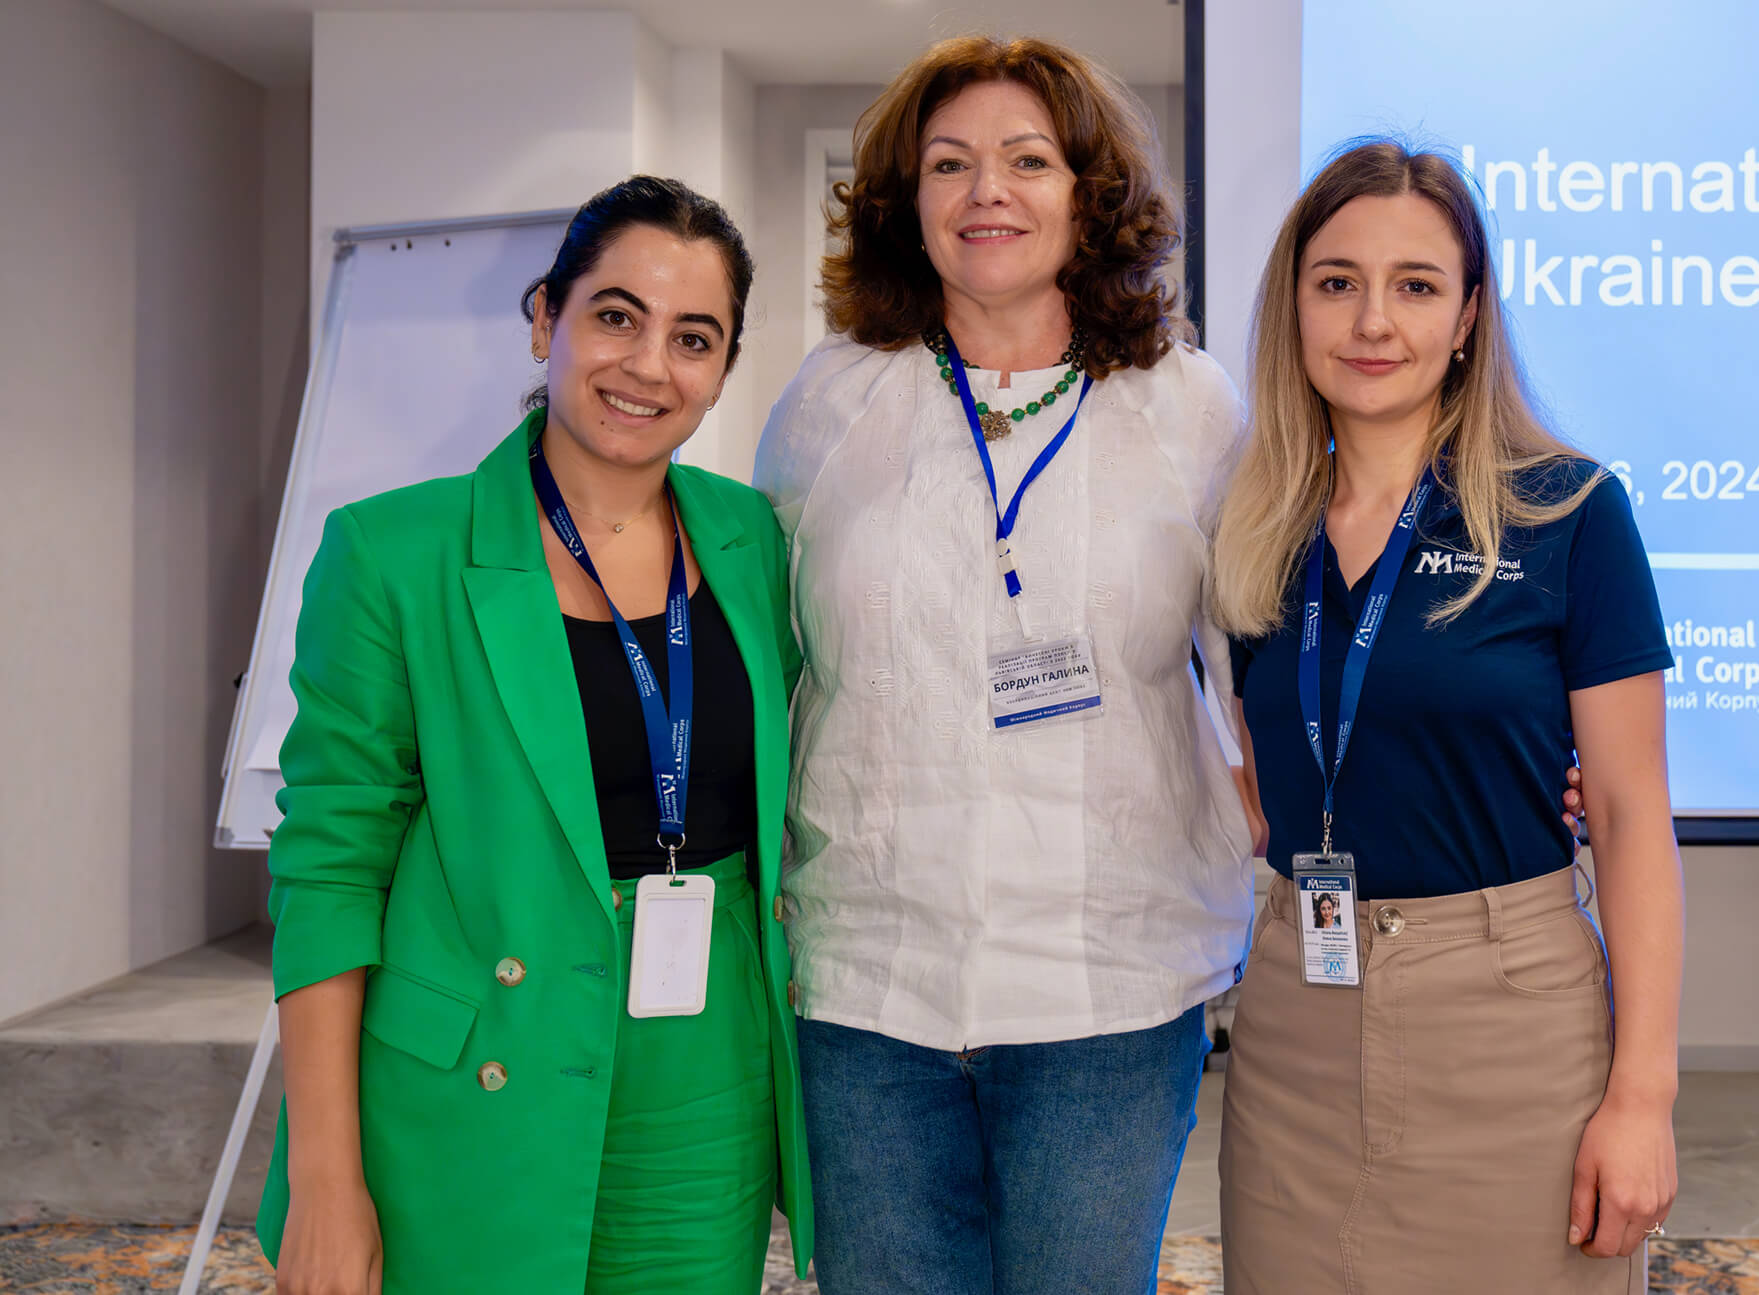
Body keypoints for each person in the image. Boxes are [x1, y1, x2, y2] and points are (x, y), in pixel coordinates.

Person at [753, 35, 1251, 1295]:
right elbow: (762, 652)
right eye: (949, 163)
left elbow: (1263, 657)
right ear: (902, 203)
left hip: (1107, 990)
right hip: (868, 984)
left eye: (1028, 160)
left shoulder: (1189, 407)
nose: (988, 191)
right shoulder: (831, 403)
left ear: (1087, 195)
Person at [257, 176, 810, 1295]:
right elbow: (328, 868)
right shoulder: (391, 553)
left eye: (692, 337)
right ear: (544, 316)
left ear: (722, 366)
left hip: (705, 1077)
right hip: (472, 1078)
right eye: (615, 315)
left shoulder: (752, 539)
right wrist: (324, 1174)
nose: (649, 365)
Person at [1212, 140, 1683, 1294]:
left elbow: (1627, 816)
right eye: (1336, 282)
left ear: (1468, 314)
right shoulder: (1252, 530)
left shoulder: (1567, 511)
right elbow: (1264, 776)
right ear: (1293, 306)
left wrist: (1642, 1094)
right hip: (1292, 1033)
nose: (1373, 320)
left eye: (1415, 285)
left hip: (1507, 1028)